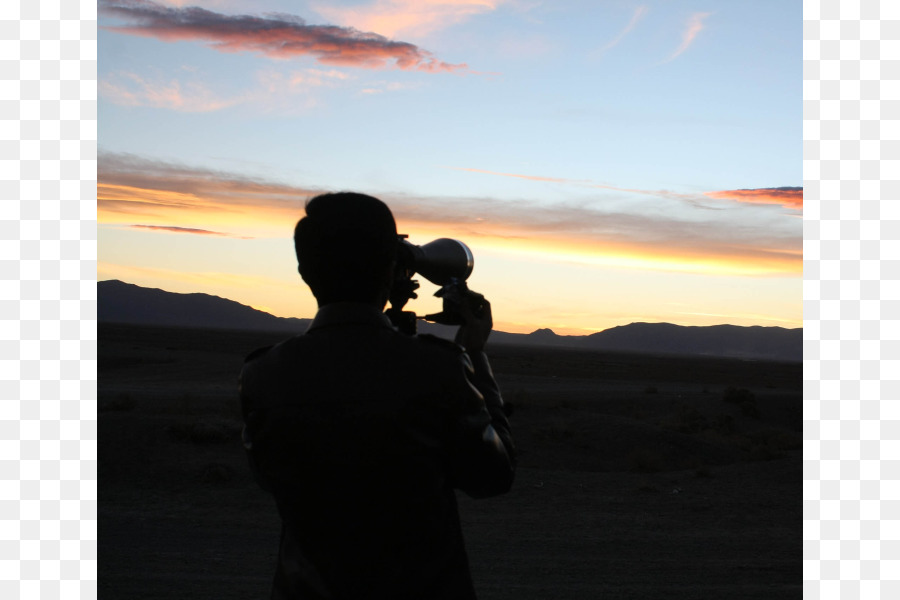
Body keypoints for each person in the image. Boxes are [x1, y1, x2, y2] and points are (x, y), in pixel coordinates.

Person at [239, 192, 516, 599]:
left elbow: (270, 477)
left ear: (304, 271)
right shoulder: (437, 367)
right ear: (392, 268)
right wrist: (474, 353)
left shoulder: (262, 373)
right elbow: (493, 476)